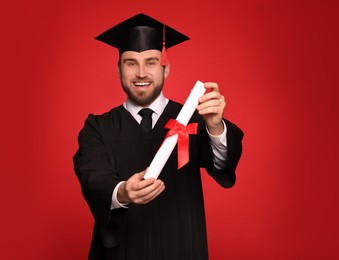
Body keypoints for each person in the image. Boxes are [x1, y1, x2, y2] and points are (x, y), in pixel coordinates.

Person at [73, 13, 243, 260]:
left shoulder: (193, 119)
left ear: (166, 68)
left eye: (151, 62)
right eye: (131, 63)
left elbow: (221, 165)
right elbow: (93, 178)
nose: (141, 73)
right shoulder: (98, 128)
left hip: (182, 247)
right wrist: (123, 192)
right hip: (122, 251)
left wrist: (216, 128)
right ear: (119, 68)